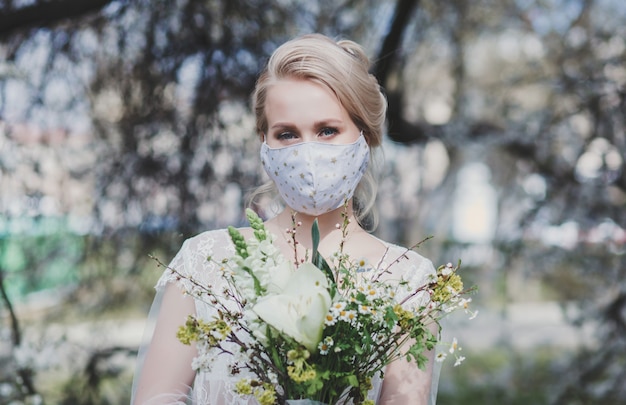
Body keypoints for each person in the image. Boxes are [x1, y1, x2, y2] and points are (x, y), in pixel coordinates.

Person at [131, 33, 438, 405]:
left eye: (327, 130)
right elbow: (158, 397)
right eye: (287, 134)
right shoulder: (204, 265)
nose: (308, 152)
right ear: (264, 143)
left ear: (366, 136)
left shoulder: (407, 280)